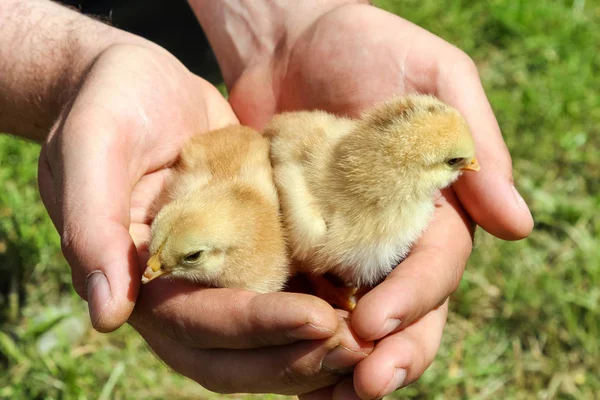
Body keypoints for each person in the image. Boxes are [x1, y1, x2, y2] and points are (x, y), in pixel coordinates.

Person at [0, 0, 534, 398]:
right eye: (452, 163)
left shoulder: (343, 197)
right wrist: (69, 68)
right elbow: (282, 165)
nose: (470, 172)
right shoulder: (292, 223)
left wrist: (289, 19)